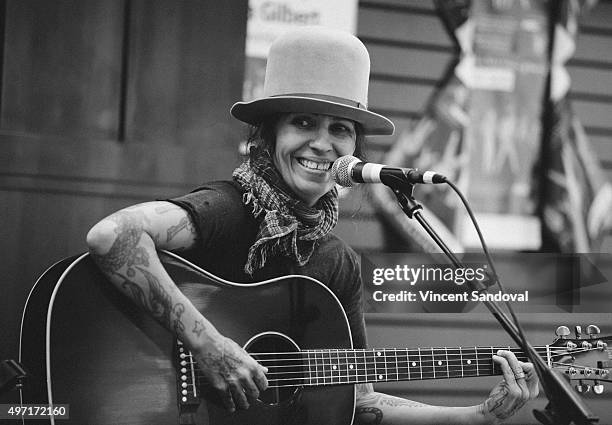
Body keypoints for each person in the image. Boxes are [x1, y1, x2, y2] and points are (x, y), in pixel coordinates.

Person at [86, 27, 539, 424]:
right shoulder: (229, 208)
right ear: (268, 135)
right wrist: (209, 346)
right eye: (303, 122)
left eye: (339, 129)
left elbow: (359, 401)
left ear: (354, 149)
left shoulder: (335, 261)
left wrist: (475, 417)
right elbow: (114, 235)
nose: (322, 143)